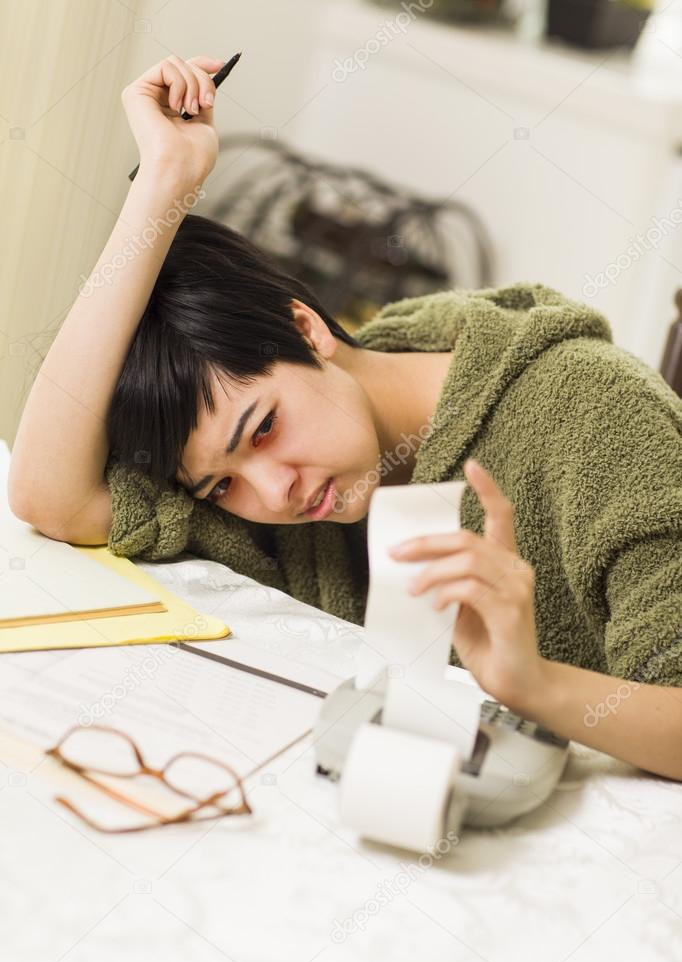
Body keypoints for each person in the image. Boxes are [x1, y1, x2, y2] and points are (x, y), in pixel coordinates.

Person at [10, 55, 682, 782]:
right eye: (219, 487)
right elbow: (47, 493)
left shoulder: (592, 417)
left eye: (263, 429)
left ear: (305, 329)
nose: (273, 495)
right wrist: (164, 185)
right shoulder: (285, 498)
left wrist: (536, 685)